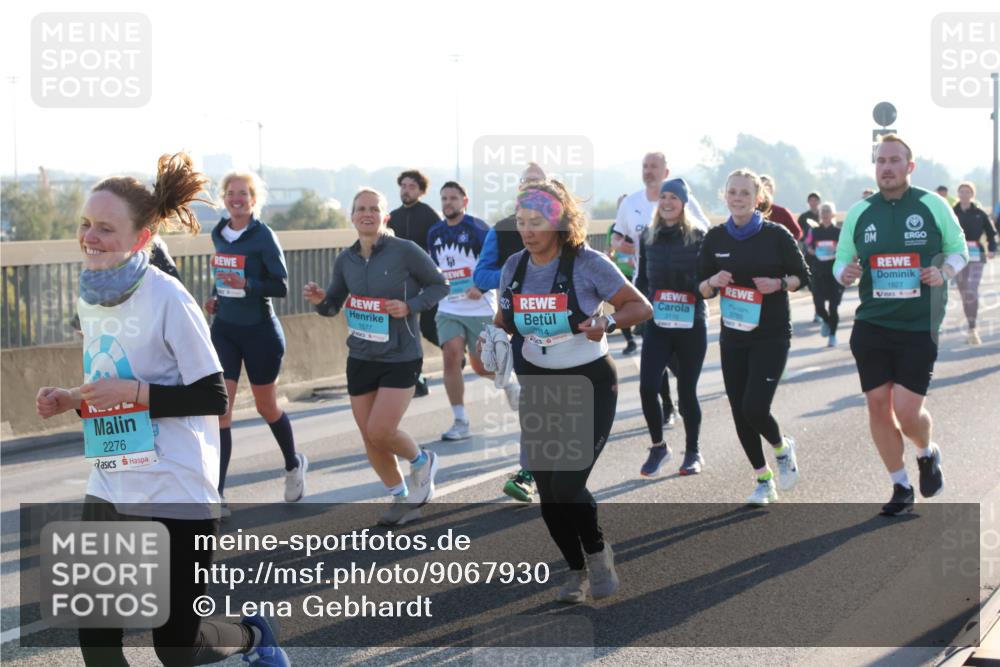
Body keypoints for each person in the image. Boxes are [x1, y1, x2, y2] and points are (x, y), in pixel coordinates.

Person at [35, 152, 288, 666]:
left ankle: (252, 636)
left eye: (106, 228)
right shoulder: (92, 297)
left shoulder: (168, 296)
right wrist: (72, 399)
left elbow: (213, 396)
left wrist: (134, 394)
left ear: (141, 239)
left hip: (174, 485)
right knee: (98, 640)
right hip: (111, 478)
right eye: (86, 224)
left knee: (176, 647)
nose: (90, 237)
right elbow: (111, 382)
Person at [495, 180, 652, 603]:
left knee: (566, 485)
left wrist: (610, 323)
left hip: (590, 383)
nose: (527, 230)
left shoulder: (588, 264)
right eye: (522, 221)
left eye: (538, 222)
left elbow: (640, 306)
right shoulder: (514, 267)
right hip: (541, 386)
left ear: (561, 222)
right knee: (547, 492)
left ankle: (598, 551)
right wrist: (489, 340)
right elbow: (503, 320)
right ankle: (575, 570)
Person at [834, 135, 968, 516]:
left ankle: (927, 452)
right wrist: (844, 272)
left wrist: (943, 271)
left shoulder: (931, 204)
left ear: (910, 167)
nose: (887, 167)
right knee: (878, 407)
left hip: (917, 327)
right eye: (881, 161)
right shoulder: (860, 212)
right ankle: (900, 484)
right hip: (872, 325)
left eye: (894, 160)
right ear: (875, 167)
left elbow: (961, 250)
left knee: (908, 412)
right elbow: (841, 261)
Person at [304, 188, 449, 527]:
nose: (367, 214)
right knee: (369, 437)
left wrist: (409, 306)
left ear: (385, 217)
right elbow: (332, 306)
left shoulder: (405, 251)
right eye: (360, 209)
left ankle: (422, 459)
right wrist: (319, 298)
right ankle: (400, 497)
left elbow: (439, 285)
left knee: (382, 430)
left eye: (374, 209)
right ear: (352, 217)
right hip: (362, 355)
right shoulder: (346, 259)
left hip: (401, 354)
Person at [698, 168, 810, 505]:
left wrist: (778, 284)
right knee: (739, 410)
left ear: (757, 198)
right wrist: (711, 283)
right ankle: (763, 480)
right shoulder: (715, 238)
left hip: (771, 334)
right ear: (725, 195)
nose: (738, 198)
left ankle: (781, 447)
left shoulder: (775, 235)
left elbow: (803, 276)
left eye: (745, 193)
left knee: (755, 406)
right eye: (732, 192)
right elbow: (700, 287)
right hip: (733, 336)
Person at [206, 171, 307, 508]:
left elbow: (280, 286)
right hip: (225, 329)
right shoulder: (218, 233)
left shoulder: (263, 236)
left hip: (260, 331)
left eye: (244, 193)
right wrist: (214, 297)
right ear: (224, 197)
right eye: (231, 192)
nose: (237, 199)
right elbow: (223, 276)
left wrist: (249, 285)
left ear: (253, 200)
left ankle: (293, 464)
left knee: (266, 407)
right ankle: (216, 495)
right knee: (221, 409)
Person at [428, 181, 516, 440]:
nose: (448, 203)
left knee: (482, 366)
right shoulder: (434, 232)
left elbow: (494, 263)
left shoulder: (479, 229)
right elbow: (433, 267)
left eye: (453, 198)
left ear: (464, 201)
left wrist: (479, 285)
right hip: (449, 306)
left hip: (479, 307)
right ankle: (460, 420)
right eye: (444, 198)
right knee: (451, 356)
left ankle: (509, 383)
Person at [473, 163, 538, 503]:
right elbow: (481, 276)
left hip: (566, 332)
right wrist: (515, 272)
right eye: (526, 183)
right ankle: (528, 474)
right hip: (523, 331)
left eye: (539, 182)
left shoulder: (568, 229)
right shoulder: (501, 230)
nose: (532, 188)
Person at [635, 179, 708, 476]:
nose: (667, 202)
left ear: (683, 203)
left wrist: (690, 288)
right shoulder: (648, 237)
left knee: (686, 391)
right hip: (658, 323)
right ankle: (658, 447)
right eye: (663, 196)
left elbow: (706, 281)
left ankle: (693, 452)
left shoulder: (698, 236)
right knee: (647, 386)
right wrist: (640, 311)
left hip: (691, 323)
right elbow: (641, 280)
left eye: (673, 197)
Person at [388, 169, 444, 396]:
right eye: (403, 186)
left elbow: (440, 247)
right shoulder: (392, 217)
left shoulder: (430, 216)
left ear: (420, 191)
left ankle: (453, 352)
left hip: (428, 283)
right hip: (400, 283)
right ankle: (417, 380)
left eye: (412, 187)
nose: (406, 190)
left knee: (428, 328)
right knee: (406, 333)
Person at [952, 181, 997, 345]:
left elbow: (991, 233)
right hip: (957, 255)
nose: (964, 194)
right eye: (961, 191)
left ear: (972, 194)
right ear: (958, 194)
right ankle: (971, 324)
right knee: (965, 293)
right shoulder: (952, 212)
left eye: (967, 191)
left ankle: (972, 329)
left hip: (977, 254)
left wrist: (992, 248)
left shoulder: (980, 213)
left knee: (972, 289)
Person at [804, 202, 845, 346]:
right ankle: (827, 322)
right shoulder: (813, 231)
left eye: (828, 211)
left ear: (833, 214)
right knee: (819, 306)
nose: (825, 213)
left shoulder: (839, 232)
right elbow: (807, 245)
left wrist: (838, 251)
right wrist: (810, 250)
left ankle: (832, 336)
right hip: (818, 272)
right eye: (823, 211)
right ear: (819, 215)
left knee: (833, 307)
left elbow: (846, 250)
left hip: (834, 274)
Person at [606, 221, 638, 355]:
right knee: (619, 310)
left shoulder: (637, 227)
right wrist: (609, 257)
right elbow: (609, 250)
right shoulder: (613, 228)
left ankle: (643, 331)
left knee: (639, 307)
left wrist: (636, 261)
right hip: (619, 275)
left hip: (635, 274)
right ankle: (630, 341)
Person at [759, 175, 803, 240]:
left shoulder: (782, 212)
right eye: (761, 187)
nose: (765, 190)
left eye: (768, 187)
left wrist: (786, 244)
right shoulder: (749, 212)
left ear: (773, 190)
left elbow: (797, 232)